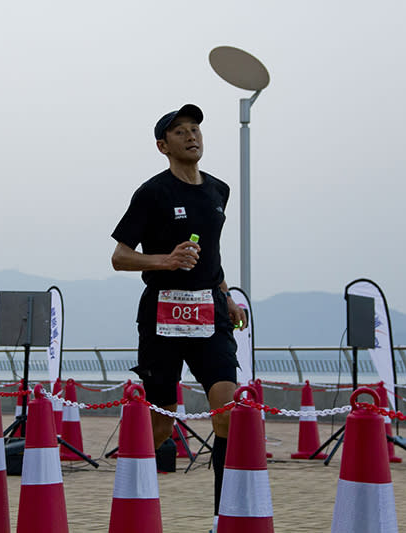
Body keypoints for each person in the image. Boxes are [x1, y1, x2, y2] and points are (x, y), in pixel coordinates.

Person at [110, 104, 248, 525]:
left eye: (196, 129)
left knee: (227, 405)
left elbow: (212, 255)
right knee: (161, 425)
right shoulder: (152, 192)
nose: (192, 136)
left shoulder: (219, 190)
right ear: (162, 145)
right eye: (181, 131)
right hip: (162, 312)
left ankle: (224, 515)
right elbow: (119, 258)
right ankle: (135, 509)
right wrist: (165, 262)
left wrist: (225, 294)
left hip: (210, 311)